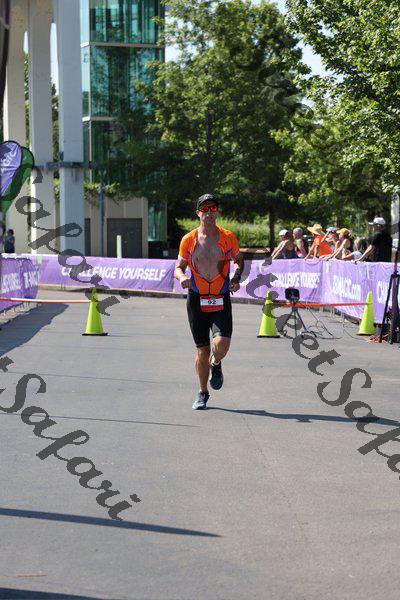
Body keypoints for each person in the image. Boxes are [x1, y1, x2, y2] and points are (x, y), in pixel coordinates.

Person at [174, 194, 243, 410]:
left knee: (221, 345)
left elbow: (239, 261)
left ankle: (216, 362)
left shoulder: (228, 237)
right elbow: (178, 267)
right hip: (197, 299)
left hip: (220, 297)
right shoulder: (189, 240)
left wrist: (236, 277)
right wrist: (182, 277)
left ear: (217, 212)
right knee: (202, 350)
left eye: (213, 208)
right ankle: (203, 392)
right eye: (205, 209)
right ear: (198, 213)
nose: (209, 213)